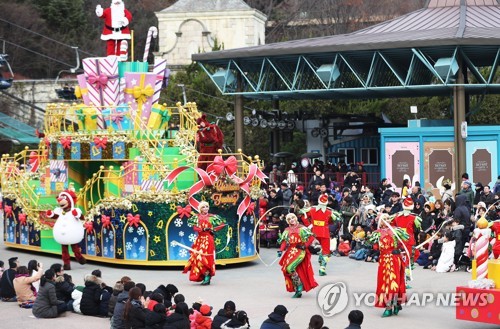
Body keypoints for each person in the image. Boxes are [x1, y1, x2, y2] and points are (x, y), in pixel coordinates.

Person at [369, 214, 408, 317]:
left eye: (387, 219)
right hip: (383, 260)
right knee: (384, 283)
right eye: (383, 219)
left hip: (394, 259)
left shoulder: (396, 230)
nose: (385, 221)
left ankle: (394, 304)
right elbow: (375, 247)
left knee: (394, 282)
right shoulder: (376, 233)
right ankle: (389, 305)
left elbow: (403, 243)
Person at [183, 201, 226, 285]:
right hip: (200, 239)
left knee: (205, 258)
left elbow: (221, 225)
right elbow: (195, 228)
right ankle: (204, 275)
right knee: (197, 257)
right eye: (203, 207)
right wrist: (202, 229)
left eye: (207, 206)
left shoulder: (212, 217)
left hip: (208, 239)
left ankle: (207, 276)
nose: (206, 208)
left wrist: (213, 229)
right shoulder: (196, 217)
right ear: (200, 209)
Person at [277, 213, 318, 298]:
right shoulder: (287, 230)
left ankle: (299, 287)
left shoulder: (302, 228)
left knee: (290, 268)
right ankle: (297, 288)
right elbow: (284, 242)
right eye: (289, 219)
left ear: (295, 218)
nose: (291, 220)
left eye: (292, 218)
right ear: (288, 221)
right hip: (290, 251)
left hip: (300, 250)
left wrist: (305, 245)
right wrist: (280, 250)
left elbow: (311, 237)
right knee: (287, 269)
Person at [45, 189, 86, 270]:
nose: (60, 202)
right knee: (64, 250)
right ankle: (66, 264)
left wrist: (77, 214)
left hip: (72, 234)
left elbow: (82, 217)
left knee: (75, 248)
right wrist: (51, 214)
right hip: (62, 236)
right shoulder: (59, 211)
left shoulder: (74, 210)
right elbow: (55, 216)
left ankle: (80, 258)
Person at [303, 194, 341, 276]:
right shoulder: (329, 212)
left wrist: (309, 225)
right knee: (326, 250)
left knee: (317, 248)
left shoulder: (312, 210)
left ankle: (320, 258)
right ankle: (322, 268)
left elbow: (303, 215)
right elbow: (334, 221)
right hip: (324, 232)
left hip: (314, 231)